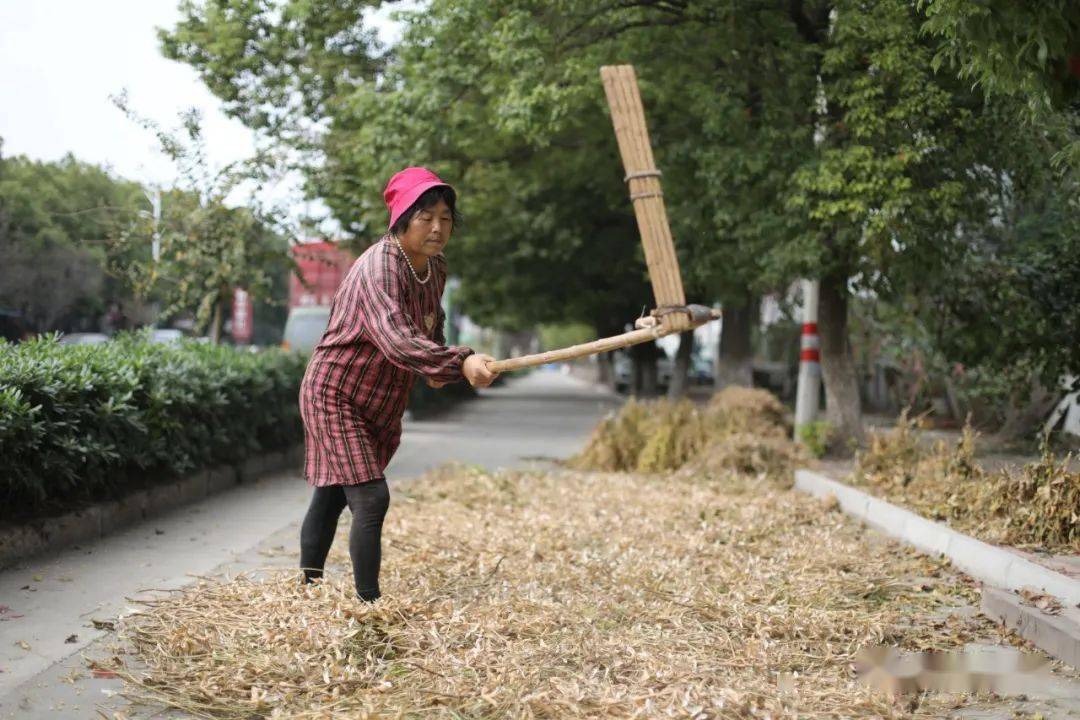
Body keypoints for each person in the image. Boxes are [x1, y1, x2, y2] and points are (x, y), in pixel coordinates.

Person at [297, 167, 499, 601]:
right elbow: (396, 338)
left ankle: (307, 590)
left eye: (445, 217)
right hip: (337, 395)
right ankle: (369, 606)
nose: (438, 227)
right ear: (402, 218)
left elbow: (430, 326)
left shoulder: (434, 267)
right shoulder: (380, 266)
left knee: (333, 494)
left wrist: (438, 366)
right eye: (426, 216)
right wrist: (457, 362)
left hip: (381, 399)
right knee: (370, 497)